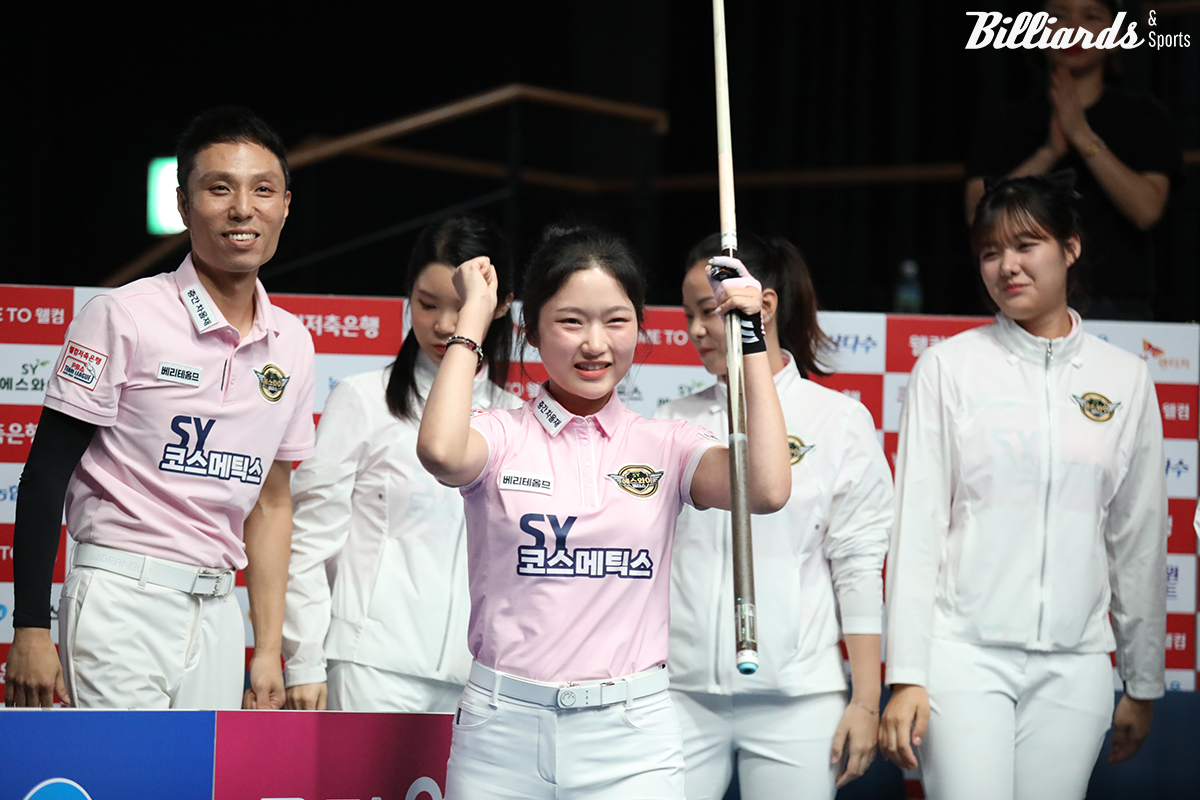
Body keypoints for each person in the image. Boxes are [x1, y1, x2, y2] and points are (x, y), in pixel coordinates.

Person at [416, 224, 792, 799]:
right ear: (531, 330)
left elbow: (766, 489)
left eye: (616, 321)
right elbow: (440, 452)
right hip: (500, 732)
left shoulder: (667, 443)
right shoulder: (500, 434)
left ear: (639, 327)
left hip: (631, 740)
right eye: (571, 321)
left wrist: (751, 338)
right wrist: (474, 317)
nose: (595, 343)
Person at [4, 107, 315, 710]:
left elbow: (273, 502)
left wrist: (268, 647)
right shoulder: (122, 314)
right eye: (219, 188)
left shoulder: (294, 343)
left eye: (262, 190)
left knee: (197, 768)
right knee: (128, 766)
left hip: (220, 611)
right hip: (121, 597)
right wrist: (31, 627)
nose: (242, 209)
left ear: (284, 206)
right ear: (183, 204)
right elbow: (44, 475)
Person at [880, 174, 1166, 800]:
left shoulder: (1125, 378)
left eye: (1026, 245)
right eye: (990, 252)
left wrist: (1143, 681)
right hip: (963, 655)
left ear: (1071, 247)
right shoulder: (946, 368)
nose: (1006, 266)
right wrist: (906, 674)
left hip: (1076, 664)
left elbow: (1138, 538)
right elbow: (917, 529)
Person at [654, 232, 892, 799]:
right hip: (678, 694)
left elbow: (858, 563)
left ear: (761, 305)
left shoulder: (838, 419)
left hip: (799, 699)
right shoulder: (670, 420)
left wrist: (866, 700)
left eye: (708, 310)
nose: (695, 330)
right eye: (688, 315)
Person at [282, 214, 521, 712]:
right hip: (370, 668)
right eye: (426, 304)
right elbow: (309, 541)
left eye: (462, 307)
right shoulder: (362, 399)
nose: (444, 325)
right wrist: (304, 661)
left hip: (482, 677)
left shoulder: (516, 418)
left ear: (499, 305)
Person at [964, 0, 1185, 320]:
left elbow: (1147, 210)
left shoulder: (1145, 117)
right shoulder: (1003, 123)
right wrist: (1049, 152)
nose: (1073, 28)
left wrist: (1081, 135)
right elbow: (977, 213)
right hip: (1018, 299)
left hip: (1118, 305)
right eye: (1058, 16)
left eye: (1091, 16)